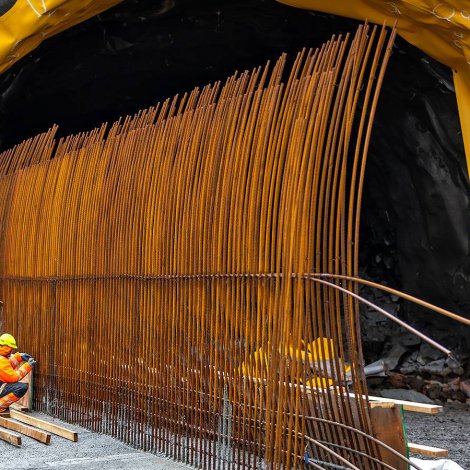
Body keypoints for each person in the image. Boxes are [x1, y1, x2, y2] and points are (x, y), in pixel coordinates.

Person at [0, 333, 36, 413]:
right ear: (6, 348)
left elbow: (6, 367)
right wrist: (28, 366)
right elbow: (14, 377)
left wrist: (19, 357)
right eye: (11, 349)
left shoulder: (2, 358)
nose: (11, 351)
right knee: (21, 387)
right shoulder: (1, 360)